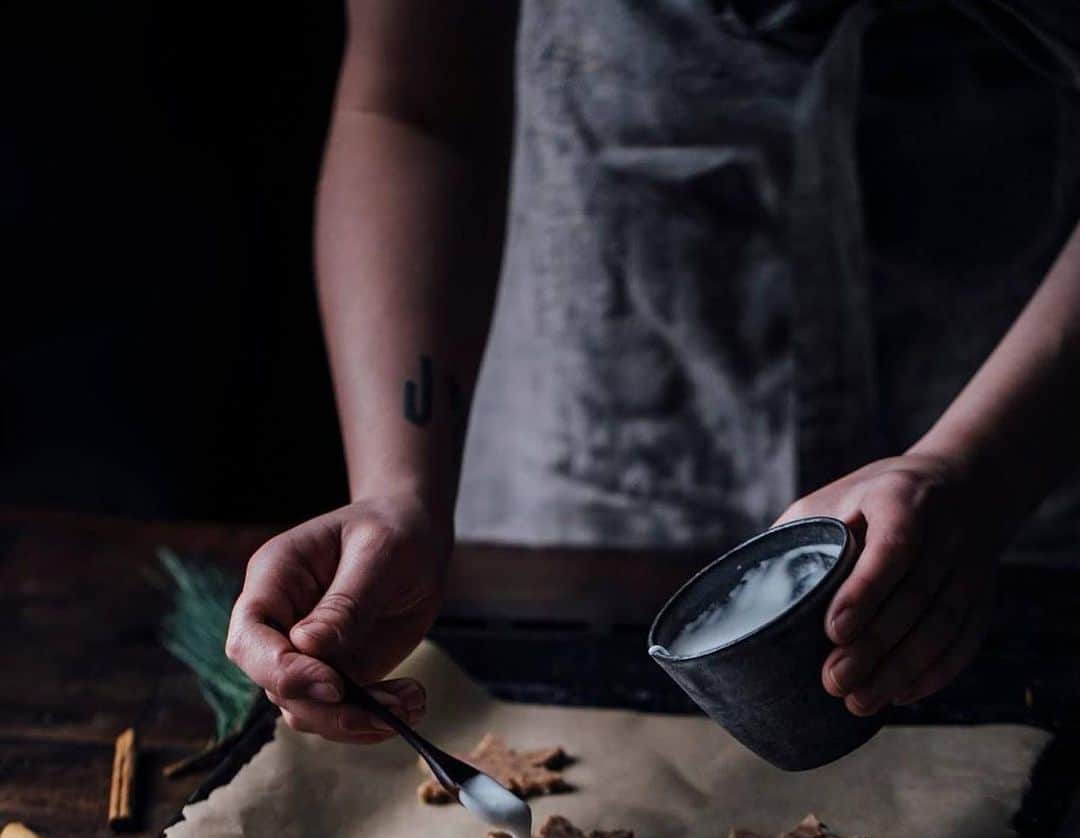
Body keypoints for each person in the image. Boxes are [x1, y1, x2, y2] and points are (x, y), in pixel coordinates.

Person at [226, 0, 1080, 744]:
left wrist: (989, 462)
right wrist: (396, 491)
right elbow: (415, 100)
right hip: (613, 379)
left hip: (1027, 357)